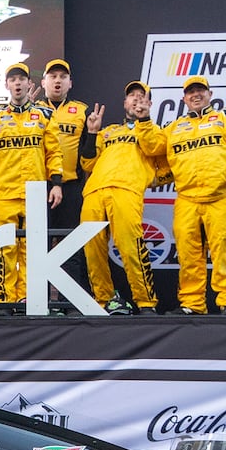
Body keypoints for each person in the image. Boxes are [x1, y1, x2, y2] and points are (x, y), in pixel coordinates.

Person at [160, 76, 226, 314]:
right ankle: (192, 304)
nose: (195, 95)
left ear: (210, 94)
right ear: (184, 98)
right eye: (190, 92)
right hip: (186, 199)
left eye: (200, 90)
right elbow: (155, 154)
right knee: (188, 255)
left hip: (221, 196)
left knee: (224, 251)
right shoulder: (173, 128)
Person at [0, 63, 62, 307]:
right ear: (7, 85)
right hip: (4, 192)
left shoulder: (46, 116)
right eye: (13, 80)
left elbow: (54, 152)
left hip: (34, 192)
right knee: (5, 250)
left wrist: (56, 184)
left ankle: (26, 298)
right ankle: (5, 300)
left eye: (22, 79)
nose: (18, 83)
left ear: (30, 84)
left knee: (31, 250)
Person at [78, 81, 168, 315]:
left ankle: (146, 302)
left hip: (126, 191)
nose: (136, 100)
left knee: (131, 248)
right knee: (92, 249)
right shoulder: (109, 131)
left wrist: (144, 120)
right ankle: (104, 301)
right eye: (132, 97)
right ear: (124, 102)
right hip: (95, 191)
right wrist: (92, 132)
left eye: (142, 97)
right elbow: (87, 163)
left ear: (149, 103)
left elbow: (156, 150)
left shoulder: (155, 131)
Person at [39, 58, 90, 291]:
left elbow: (89, 154)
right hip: (39, 187)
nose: (57, 81)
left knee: (71, 246)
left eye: (62, 77)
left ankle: (70, 302)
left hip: (71, 186)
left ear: (70, 83)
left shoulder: (82, 110)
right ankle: (40, 302)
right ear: (44, 82)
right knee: (39, 246)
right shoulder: (34, 110)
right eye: (53, 76)